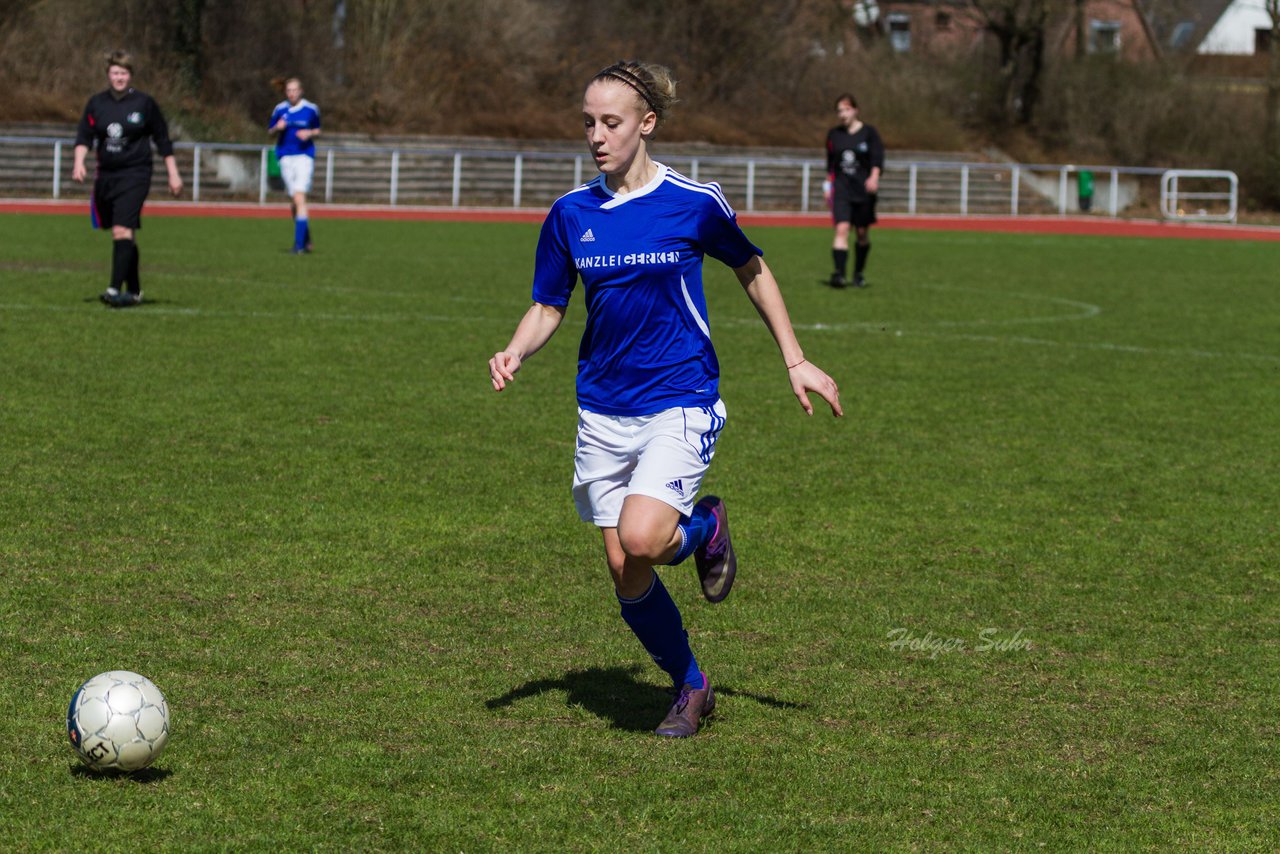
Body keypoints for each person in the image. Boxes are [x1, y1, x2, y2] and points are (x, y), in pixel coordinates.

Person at [488, 60, 843, 738]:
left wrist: (794, 357)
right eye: (588, 122)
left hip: (680, 397)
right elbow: (548, 305)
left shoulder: (693, 201)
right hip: (602, 408)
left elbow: (752, 267)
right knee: (626, 571)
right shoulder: (570, 214)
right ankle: (692, 685)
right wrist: (515, 348)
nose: (596, 135)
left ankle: (706, 526)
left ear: (646, 124)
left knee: (643, 536)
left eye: (611, 122)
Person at [72, 50, 182, 308]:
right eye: (114, 73)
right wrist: (79, 162)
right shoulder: (96, 103)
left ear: (130, 75)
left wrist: (173, 173)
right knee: (123, 234)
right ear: (108, 75)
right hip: (106, 175)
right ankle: (133, 290)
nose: (119, 78)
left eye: (123, 73)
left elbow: (162, 139)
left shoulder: (144, 103)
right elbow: (84, 137)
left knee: (123, 230)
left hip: (136, 173)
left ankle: (113, 289)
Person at [823, 93, 884, 289]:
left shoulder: (869, 133)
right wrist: (827, 186)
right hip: (841, 188)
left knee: (861, 233)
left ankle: (858, 273)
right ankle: (839, 275)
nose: (843, 114)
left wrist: (874, 177)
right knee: (841, 229)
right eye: (839, 110)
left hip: (863, 190)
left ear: (855, 110)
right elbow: (830, 164)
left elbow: (877, 158)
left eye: (846, 109)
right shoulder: (834, 135)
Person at [269, 77, 322, 254]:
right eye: (288, 90)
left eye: (294, 90)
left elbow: (318, 130)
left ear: (301, 91)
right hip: (285, 157)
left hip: (304, 157)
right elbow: (270, 132)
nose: (291, 93)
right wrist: (277, 127)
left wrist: (309, 133)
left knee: (299, 197)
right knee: (294, 201)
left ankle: (299, 246)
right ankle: (306, 239)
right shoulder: (280, 109)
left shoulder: (311, 109)